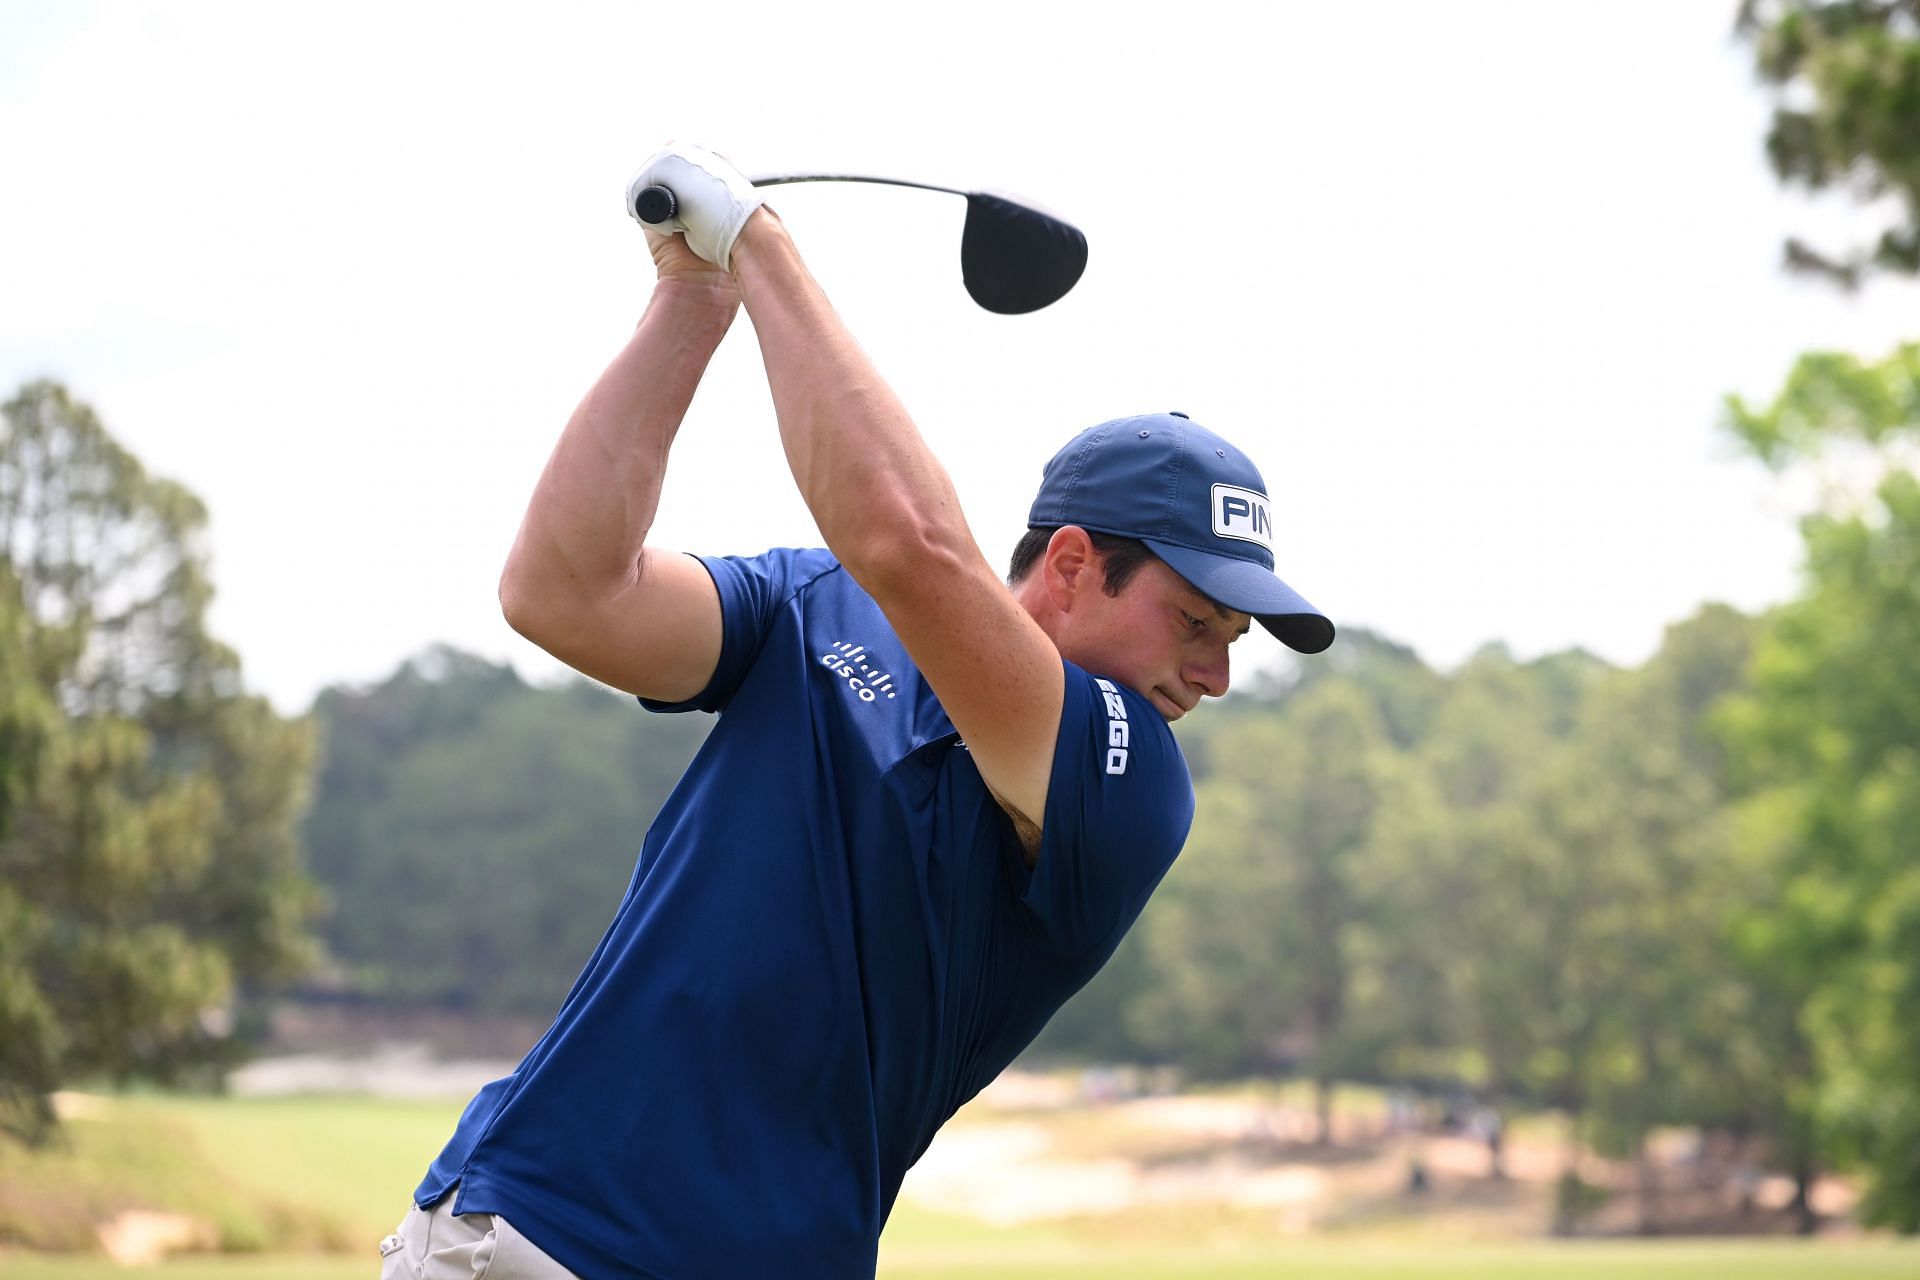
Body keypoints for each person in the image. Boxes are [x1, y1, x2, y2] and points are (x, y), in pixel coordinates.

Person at [380, 143, 1333, 1280]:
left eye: (1232, 642)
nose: (1215, 677)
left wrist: (762, 243)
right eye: (1195, 623)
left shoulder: (1127, 784)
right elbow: (565, 591)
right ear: (1074, 565)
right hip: (538, 1232)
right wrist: (694, 297)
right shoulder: (816, 602)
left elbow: (908, 544)